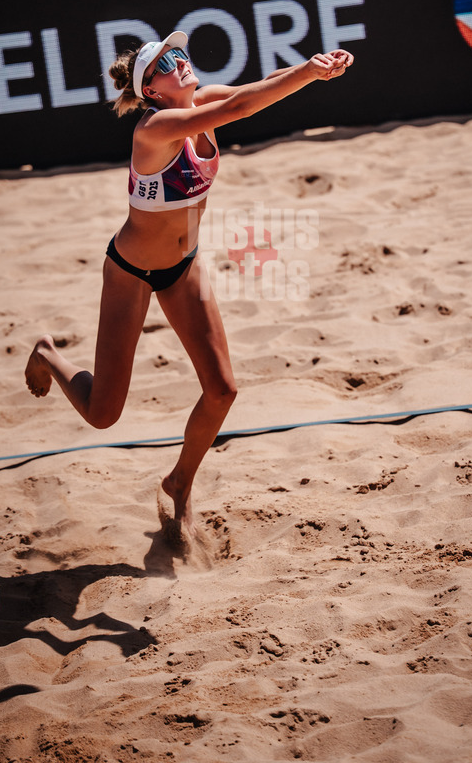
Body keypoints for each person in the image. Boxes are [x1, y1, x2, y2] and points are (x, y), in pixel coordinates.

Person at [25, 31, 354, 545]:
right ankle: (48, 353)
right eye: (165, 63)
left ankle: (179, 482)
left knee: (222, 389)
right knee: (102, 414)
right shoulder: (157, 129)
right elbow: (245, 106)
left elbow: (258, 88)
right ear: (151, 91)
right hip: (131, 271)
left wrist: (316, 68)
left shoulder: (200, 101)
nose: (179, 62)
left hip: (184, 265)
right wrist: (309, 71)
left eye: (180, 54)